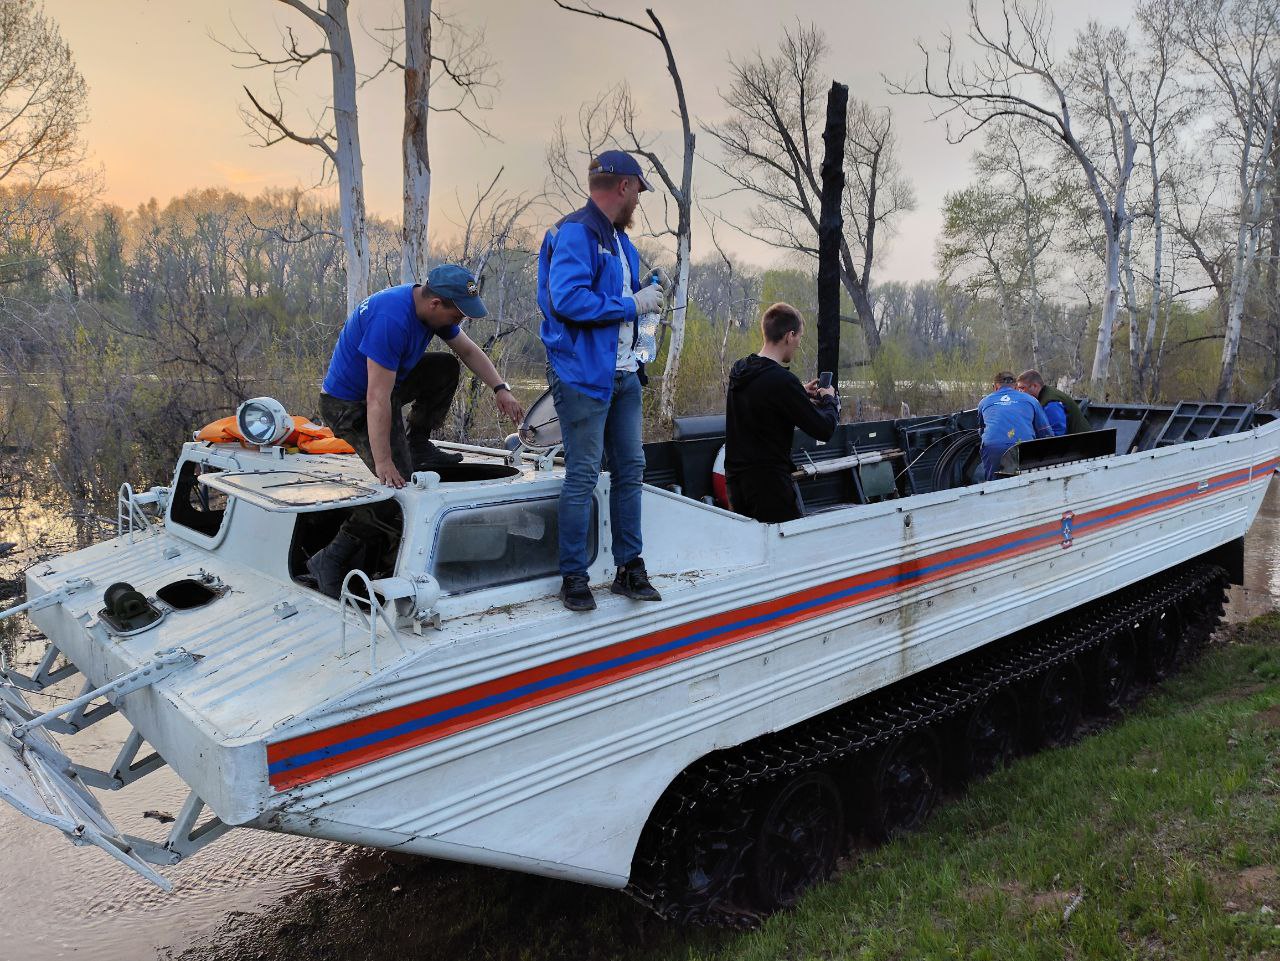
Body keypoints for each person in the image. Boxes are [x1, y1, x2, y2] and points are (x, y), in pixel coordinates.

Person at [307, 263, 524, 597]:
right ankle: (331, 557)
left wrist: (500, 388)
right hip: (350, 405)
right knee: (398, 488)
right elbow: (376, 399)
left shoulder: (429, 308)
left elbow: (466, 350)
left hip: (385, 389)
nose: (459, 322)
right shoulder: (391, 320)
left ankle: (418, 442)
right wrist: (384, 462)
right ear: (436, 304)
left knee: (445, 367)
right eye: (458, 316)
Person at [537, 150, 665, 612]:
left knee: (631, 470)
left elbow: (617, 296)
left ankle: (630, 569)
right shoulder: (577, 231)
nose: (638, 203)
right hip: (582, 377)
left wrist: (642, 291)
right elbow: (568, 299)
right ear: (625, 187)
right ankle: (574, 576)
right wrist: (635, 304)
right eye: (638, 192)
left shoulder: (618, 240)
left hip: (624, 375)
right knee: (583, 473)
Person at [725, 303, 839, 523]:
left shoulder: (740, 370)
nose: (797, 344)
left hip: (737, 486)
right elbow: (824, 429)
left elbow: (763, 400)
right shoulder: (782, 381)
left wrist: (799, 394)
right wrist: (829, 400)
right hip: (769, 489)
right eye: (798, 338)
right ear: (790, 335)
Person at [977, 371, 1052, 480]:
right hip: (1024, 446)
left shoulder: (984, 402)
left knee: (994, 483)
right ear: (1016, 386)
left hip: (993, 447)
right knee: (1027, 481)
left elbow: (981, 431)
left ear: (995, 387)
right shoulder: (1031, 400)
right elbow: (1045, 432)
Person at [1016, 369, 1089, 437]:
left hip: (1081, 444)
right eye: (1018, 389)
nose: (1019, 392)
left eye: (1022, 388)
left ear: (1035, 386)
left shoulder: (1051, 403)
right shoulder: (1043, 395)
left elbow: (1056, 435)